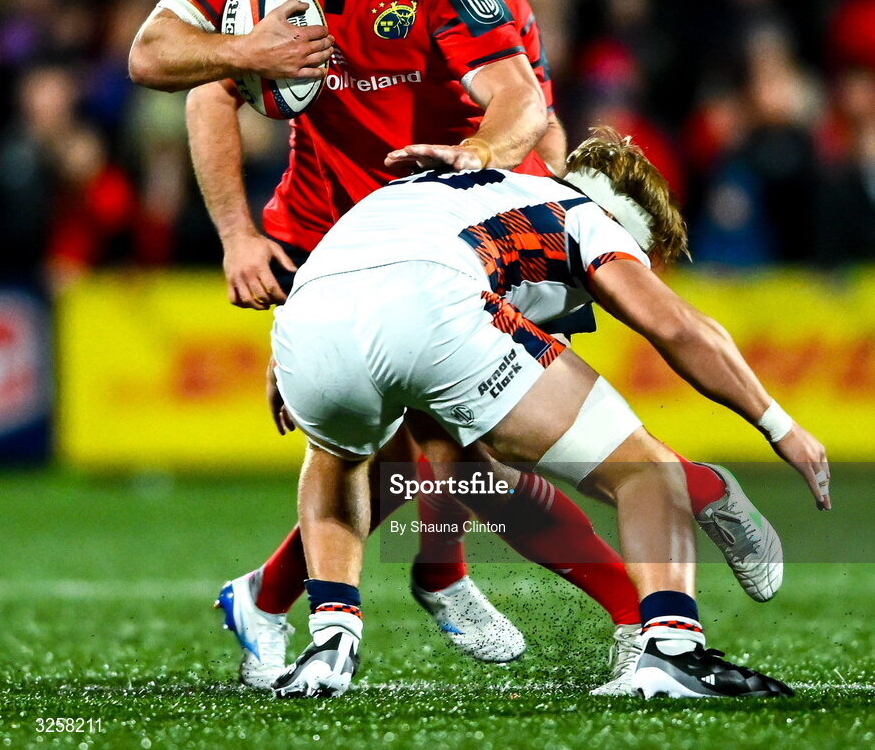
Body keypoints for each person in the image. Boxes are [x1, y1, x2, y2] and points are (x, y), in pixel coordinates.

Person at [128, 0, 779, 691]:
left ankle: (332, 588)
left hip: (448, 243)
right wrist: (241, 230)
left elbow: (531, 121)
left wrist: (551, 227)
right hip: (330, 233)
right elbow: (201, 83)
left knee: (459, 449)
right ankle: (600, 582)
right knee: (431, 448)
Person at [268, 128, 831, 700]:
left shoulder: (480, 192)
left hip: (307, 313)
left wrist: (289, 358)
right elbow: (677, 326)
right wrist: (778, 425)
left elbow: (365, 285)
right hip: (433, 302)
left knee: (339, 459)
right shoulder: (588, 217)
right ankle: (673, 650)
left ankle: (330, 640)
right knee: (645, 471)